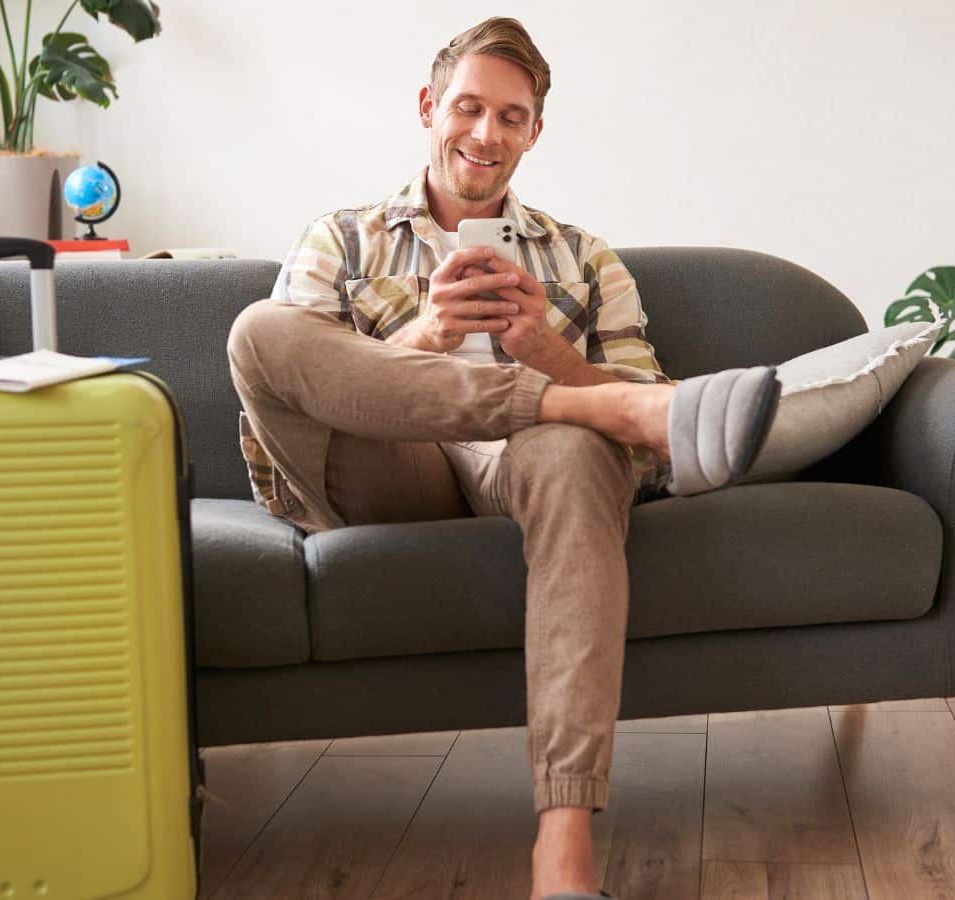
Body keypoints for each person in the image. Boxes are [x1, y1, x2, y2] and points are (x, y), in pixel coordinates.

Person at [226, 17, 780, 900]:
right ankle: (572, 404)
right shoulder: (343, 239)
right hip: (387, 465)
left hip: (523, 466)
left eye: (511, 117)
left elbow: (641, 445)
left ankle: (562, 849)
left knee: (570, 445)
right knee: (259, 332)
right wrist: (426, 336)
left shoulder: (585, 258)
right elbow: (300, 388)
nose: (486, 135)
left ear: (535, 130)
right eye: (468, 108)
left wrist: (549, 356)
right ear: (428, 108)